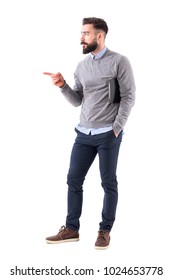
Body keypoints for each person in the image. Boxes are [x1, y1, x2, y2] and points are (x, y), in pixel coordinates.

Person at [43, 17, 135, 249]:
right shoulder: (81, 66)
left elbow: (129, 97)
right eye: (82, 33)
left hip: (108, 134)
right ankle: (71, 228)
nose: (81, 37)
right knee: (73, 179)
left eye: (86, 33)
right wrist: (62, 86)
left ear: (100, 36)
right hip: (84, 134)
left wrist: (116, 128)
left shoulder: (119, 62)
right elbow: (78, 101)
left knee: (108, 182)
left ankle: (104, 230)